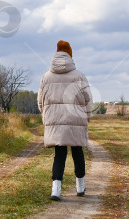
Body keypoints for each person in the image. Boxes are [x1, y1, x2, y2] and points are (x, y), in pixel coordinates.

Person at [37, 40, 93, 201]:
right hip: (76, 118)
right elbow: (88, 99)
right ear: (70, 54)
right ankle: (80, 187)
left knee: (59, 154)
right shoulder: (79, 76)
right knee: (77, 152)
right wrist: (86, 117)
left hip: (55, 120)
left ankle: (56, 190)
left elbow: (40, 101)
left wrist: (47, 117)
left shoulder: (46, 77)